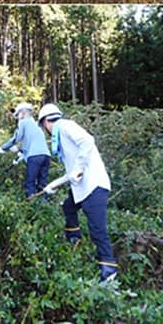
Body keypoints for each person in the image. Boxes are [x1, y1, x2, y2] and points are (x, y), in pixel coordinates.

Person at [37, 104, 119, 284]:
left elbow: (88, 140)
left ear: (46, 123)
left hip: (94, 186)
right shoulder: (62, 136)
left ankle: (109, 272)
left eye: (43, 126)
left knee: (98, 230)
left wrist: (79, 168)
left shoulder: (66, 126)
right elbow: (72, 172)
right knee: (68, 207)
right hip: (81, 188)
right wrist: (54, 185)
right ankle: (74, 239)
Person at [0, 102, 50, 198]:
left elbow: (17, 138)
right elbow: (31, 142)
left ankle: (31, 203)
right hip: (46, 156)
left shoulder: (24, 122)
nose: (17, 117)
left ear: (23, 112)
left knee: (30, 182)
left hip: (34, 157)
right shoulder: (36, 124)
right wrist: (20, 151)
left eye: (18, 114)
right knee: (43, 183)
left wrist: (3, 148)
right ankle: (43, 205)